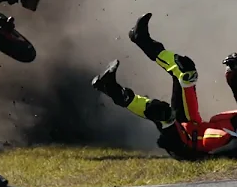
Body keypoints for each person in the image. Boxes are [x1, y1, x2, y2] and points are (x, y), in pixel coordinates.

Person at [91, 12, 237, 161]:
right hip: (192, 122)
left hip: (184, 145)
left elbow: (217, 154)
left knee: (162, 112)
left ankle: (112, 89)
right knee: (186, 71)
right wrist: (234, 69)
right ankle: (142, 39)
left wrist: (198, 157)